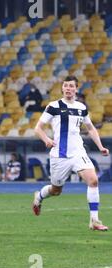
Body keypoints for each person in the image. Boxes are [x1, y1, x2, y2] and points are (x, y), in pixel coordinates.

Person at [33, 76, 109, 231]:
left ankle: (94, 221)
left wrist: (100, 146)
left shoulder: (81, 107)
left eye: (71, 86)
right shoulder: (53, 106)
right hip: (60, 155)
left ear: (76, 89)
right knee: (56, 190)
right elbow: (38, 128)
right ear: (62, 88)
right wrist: (46, 139)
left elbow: (91, 128)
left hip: (78, 152)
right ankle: (39, 196)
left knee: (93, 180)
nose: (68, 88)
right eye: (66, 86)